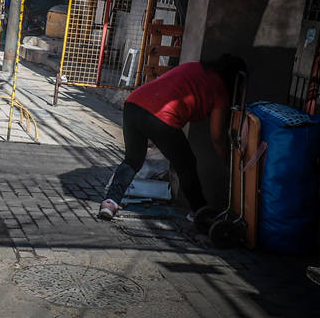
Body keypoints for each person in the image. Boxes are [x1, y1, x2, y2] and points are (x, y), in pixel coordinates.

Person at [98, 54, 247, 220]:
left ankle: (110, 202)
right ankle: (199, 211)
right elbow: (218, 137)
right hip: (161, 117)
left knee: (133, 160)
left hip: (134, 104)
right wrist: (230, 164)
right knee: (186, 164)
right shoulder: (220, 90)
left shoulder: (194, 67)